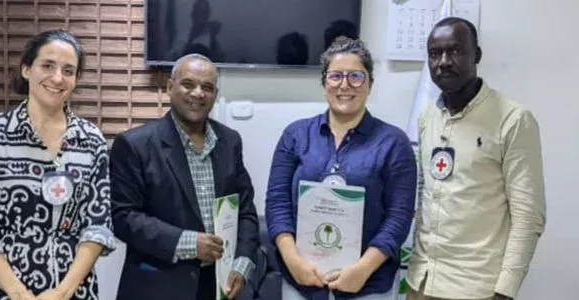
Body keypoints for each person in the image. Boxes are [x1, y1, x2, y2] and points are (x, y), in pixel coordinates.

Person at [0, 29, 116, 300]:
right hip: (2, 291)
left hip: (73, 292)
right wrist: (19, 294)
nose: (57, 78)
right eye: (48, 65)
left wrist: (62, 292)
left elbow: (98, 227)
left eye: (68, 70)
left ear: (76, 79)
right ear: (27, 69)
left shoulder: (91, 139)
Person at [265, 38, 417, 300]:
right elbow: (277, 203)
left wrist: (361, 270)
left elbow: (399, 217)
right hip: (301, 284)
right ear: (324, 83)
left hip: (367, 286)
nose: (345, 85)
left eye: (356, 76)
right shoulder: (295, 135)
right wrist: (294, 262)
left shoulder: (394, 143)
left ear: (370, 83)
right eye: (336, 76)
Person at [407, 17, 546, 300]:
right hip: (421, 280)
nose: (443, 61)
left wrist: (505, 290)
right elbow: (425, 192)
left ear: (477, 55)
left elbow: (528, 216)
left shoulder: (513, 120)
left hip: (476, 288)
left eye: (455, 51)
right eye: (435, 53)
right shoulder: (428, 116)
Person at [109, 53, 259, 300]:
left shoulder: (230, 141)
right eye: (188, 84)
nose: (198, 93)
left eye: (207, 87)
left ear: (215, 94)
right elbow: (124, 218)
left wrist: (242, 264)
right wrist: (189, 243)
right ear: (170, 87)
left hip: (218, 285)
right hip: (157, 288)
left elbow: (245, 211)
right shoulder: (134, 145)